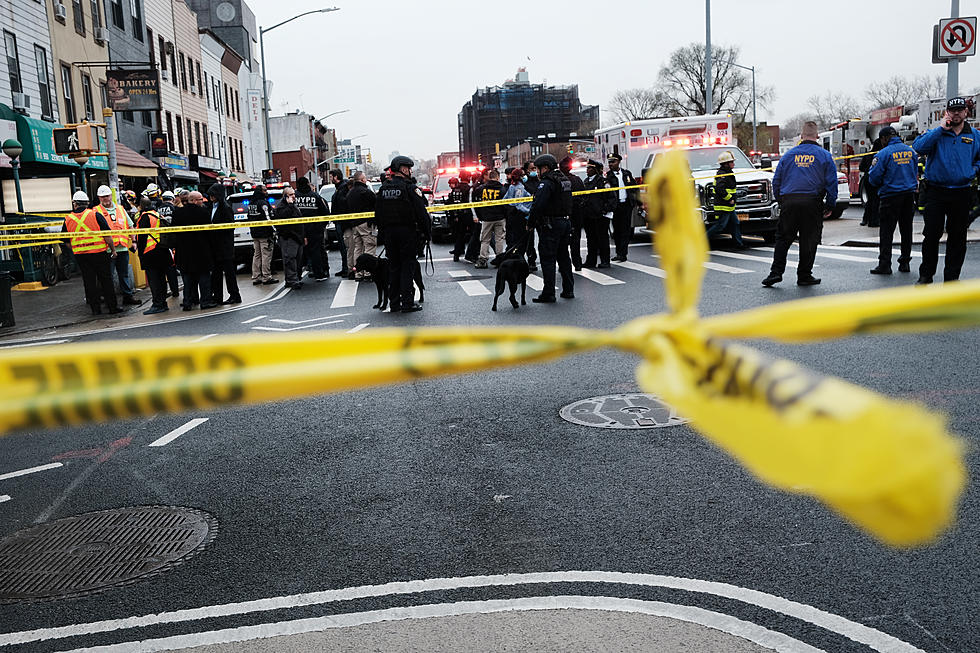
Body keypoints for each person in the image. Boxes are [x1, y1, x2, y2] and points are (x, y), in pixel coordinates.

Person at [912, 96, 980, 284]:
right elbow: (918, 147)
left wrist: (972, 170)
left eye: (960, 110)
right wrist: (941, 129)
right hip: (936, 191)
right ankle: (926, 274)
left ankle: (952, 278)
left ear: (966, 112)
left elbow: (979, 159)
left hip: (961, 191)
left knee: (957, 237)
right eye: (953, 110)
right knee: (932, 234)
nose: (956, 113)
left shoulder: (974, 135)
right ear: (947, 113)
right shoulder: (936, 133)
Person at [763, 121, 837, 287]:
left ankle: (775, 273)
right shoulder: (824, 155)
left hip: (790, 201)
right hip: (812, 202)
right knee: (809, 240)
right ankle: (804, 275)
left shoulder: (789, 155)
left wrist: (781, 200)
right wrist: (831, 204)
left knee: (783, 238)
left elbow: (777, 180)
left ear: (801, 136)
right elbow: (831, 182)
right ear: (817, 136)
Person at [375, 156, 428, 312]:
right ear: (403, 170)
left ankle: (394, 302)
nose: (410, 172)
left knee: (394, 266)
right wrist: (427, 233)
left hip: (389, 234)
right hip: (407, 232)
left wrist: (383, 233)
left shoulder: (383, 189)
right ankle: (407, 302)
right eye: (408, 169)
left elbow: (378, 214)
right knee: (407, 266)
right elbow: (421, 213)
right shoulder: (410, 188)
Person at [866, 126, 917, 275]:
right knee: (906, 230)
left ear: (884, 138)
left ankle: (885, 264)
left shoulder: (883, 154)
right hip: (908, 195)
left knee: (887, 232)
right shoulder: (911, 151)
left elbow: (874, 178)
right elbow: (915, 172)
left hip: (890, 196)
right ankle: (905, 262)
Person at [62, 190, 119, 315]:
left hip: (81, 256)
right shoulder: (95, 215)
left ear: (74, 204)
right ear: (87, 203)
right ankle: (112, 308)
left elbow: (66, 242)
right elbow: (107, 235)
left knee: (89, 281)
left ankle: (95, 309)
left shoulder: (68, 219)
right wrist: (113, 249)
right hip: (99, 253)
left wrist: (78, 248)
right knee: (106, 280)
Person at [527, 153, 574, 302]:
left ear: (545, 168)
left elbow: (538, 205)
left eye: (538, 169)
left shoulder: (546, 183)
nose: (537, 172)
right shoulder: (564, 180)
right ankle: (568, 289)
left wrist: (530, 223)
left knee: (548, 259)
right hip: (565, 222)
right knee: (564, 257)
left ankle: (548, 293)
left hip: (551, 225)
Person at [93, 185, 141, 306]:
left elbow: (130, 226)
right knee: (106, 276)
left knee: (123, 274)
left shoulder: (120, 209)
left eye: (107, 196)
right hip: (106, 250)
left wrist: (134, 242)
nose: (106, 199)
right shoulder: (95, 211)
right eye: (103, 197)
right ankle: (109, 298)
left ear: (111, 196)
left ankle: (127, 296)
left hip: (122, 248)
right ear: (99, 198)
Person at [172, 191, 216, 309]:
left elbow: (173, 232)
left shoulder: (177, 213)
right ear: (195, 200)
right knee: (204, 278)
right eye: (201, 199)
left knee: (187, 280)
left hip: (184, 251)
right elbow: (210, 233)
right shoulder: (203, 212)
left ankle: (187, 302)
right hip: (201, 251)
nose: (203, 202)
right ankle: (205, 301)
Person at [134, 197, 174, 315]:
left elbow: (142, 237)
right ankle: (163, 303)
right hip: (162, 250)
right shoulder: (156, 214)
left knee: (154, 281)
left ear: (141, 206)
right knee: (161, 280)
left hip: (150, 252)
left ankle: (158, 304)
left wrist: (140, 254)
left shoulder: (144, 217)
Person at [208, 185, 241, 303]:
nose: (211, 197)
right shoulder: (211, 207)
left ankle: (234, 295)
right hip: (215, 246)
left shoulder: (225, 208)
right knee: (216, 273)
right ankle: (217, 296)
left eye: (213, 194)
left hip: (225, 245)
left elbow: (229, 227)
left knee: (229, 273)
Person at [706, 150, 746, 248]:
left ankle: (739, 244)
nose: (733, 164)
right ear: (726, 164)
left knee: (735, 223)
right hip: (724, 205)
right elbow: (719, 189)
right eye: (731, 162)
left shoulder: (728, 173)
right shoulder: (722, 174)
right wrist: (729, 199)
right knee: (720, 225)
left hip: (729, 206)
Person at [294, 176, 330, 282]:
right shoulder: (315, 196)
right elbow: (325, 213)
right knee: (316, 252)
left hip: (299, 230)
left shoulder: (294, 197)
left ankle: (297, 276)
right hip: (315, 230)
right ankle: (319, 274)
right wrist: (321, 226)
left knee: (299, 254)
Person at [345, 171, 378, 280]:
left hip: (354, 224)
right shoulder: (366, 192)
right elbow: (375, 204)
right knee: (370, 247)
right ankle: (369, 272)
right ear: (362, 180)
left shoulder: (350, 193)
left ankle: (358, 273)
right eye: (365, 178)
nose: (366, 180)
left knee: (357, 249)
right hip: (366, 224)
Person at [605, 153, 637, 261]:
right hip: (616, 206)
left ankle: (623, 254)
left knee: (626, 230)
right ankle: (619, 252)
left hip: (626, 205)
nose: (611, 164)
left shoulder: (626, 174)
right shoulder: (608, 176)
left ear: (618, 162)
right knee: (617, 231)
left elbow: (634, 187)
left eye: (613, 162)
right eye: (609, 162)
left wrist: (636, 201)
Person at [582, 159, 613, 268]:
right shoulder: (586, 181)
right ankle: (591, 260)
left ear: (595, 170)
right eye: (587, 168)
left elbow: (611, 198)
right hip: (589, 216)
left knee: (602, 239)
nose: (588, 170)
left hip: (601, 216)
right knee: (591, 239)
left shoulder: (603, 182)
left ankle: (605, 260)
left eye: (590, 168)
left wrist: (604, 210)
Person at [275, 186, 305, 289]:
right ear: (285, 196)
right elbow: (284, 217)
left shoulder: (293, 206)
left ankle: (295, 278)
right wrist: (290, 205)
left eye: (294, 194)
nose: (294, 197)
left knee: (297, 259)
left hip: (297, 237)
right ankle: (292, 280)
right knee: (290, 259)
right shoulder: (282, 207)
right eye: (291, 195)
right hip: (289, 237)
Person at [476, 169, 506, 268]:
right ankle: (499, 258)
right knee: (499, 239)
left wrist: (480, 215)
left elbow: (477, 201)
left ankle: (483, 259)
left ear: (489, 177)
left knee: (485, 240)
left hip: (487, 218)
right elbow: (505, 204)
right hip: (499, 217)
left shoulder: (482, 188)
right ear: (497, 177)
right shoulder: (502, 189)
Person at [560, 156, 586, 269]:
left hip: (563, 215)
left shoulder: (558, 181)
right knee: (576, 240)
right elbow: (584, 196)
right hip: (576, 214)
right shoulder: (577, 180)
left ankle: (564, 266)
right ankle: (577, 263)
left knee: (562, 242)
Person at [247, 184, 277, 285]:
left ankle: (256, 277)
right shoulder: (263, 203)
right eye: (264, 190)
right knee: (266, 255)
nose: (266, 192)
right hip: (265, 233)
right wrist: (274, 230)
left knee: (257, 255)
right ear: (261, 192)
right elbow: (268, 218)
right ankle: (266, 277)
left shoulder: (251, 203)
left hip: (254, 233)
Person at [156, 190, 181, 297]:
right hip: (172, 241)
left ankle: (164, 291)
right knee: (172, 268)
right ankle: (175, 290)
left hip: (160, 242)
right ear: (172, 199)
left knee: (162, 269)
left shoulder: (157, 210)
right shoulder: (174, 209)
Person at [329, 169, 352, 277]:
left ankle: (347, 268)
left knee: (346, 247)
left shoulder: (343, 189)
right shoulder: (339, 189)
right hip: (339, 222)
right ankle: (345, 268)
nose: (330, 179)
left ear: (336, 177)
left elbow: (344, 206)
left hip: (343, 223)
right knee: (343, 248)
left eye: (331, 177)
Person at [502, 168, 532, 247]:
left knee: (512, 239)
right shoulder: (519, 187)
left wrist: (509, 208)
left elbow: (504, 200)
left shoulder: (512, 186)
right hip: (519, 216)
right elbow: (518, 204)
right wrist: (529, 211)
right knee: (520, 240)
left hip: (511, 215)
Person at [859, 136, 884, 227]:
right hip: (876, 179)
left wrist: (867, 170)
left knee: (870, 200)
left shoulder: (867, 155)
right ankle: (874, 221)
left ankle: (865, 219)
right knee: (876, 200)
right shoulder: (881, 155)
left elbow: (861, 167)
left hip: (867, 178)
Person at [447, 176, 473, 261]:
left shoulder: (455, 192)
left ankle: (457, 253)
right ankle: (465, 251)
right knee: (469, 234)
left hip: (459, 216)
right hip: (467, 215)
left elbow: (453, 204)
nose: (450, 186)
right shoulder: (468, 188)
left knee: (459, 235)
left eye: (451, 184)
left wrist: (455, 216)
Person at [522, 161, 539, 270]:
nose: (534, 171)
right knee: (529, 240)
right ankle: (531, 260)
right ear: (526, 170)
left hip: (540, 213)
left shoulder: (540, 181)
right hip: (529, 214)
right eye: (532, 169)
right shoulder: (524, 184)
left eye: (535, 168)